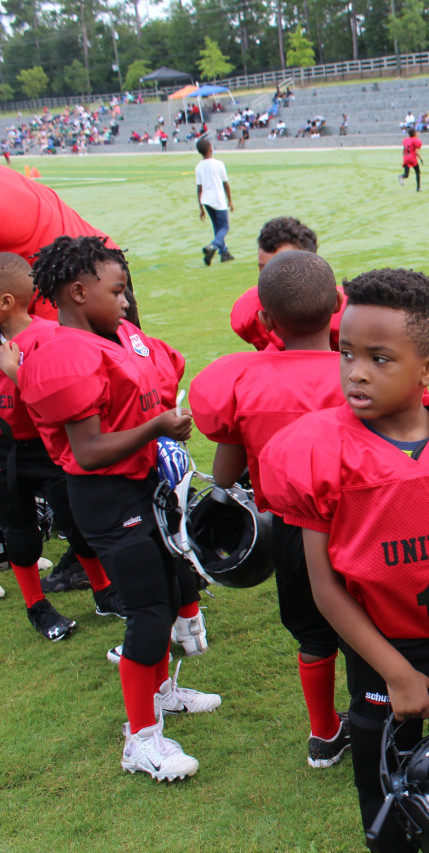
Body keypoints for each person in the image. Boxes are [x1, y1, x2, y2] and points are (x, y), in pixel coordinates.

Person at [256, 268, 429, 849]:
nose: (356, 371)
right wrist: (394, 671)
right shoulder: (318, 452)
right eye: (348, 353)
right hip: (382, 661)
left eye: (380, 358)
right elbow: (324, 585)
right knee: (389, 819)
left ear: (428, 369)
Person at [22, 236, 221, 782]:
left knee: (166, 589)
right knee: (149, 611)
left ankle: (163, 695)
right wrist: (157, 426)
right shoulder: (63, 352)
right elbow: (87, 451)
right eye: (118, 291)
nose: (128, 302)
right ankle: (141, 740)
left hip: (141, 484)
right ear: (79, 292)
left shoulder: (112, 337)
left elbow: (144, 387)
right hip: (107, 495)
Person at [190, 250, 349, 769]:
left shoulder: (244, 379)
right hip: (362, 521)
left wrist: (218, 493)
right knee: (375, 621)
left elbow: (230, 464)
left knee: (312, 632)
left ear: (263, 320)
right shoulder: (362, 373)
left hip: (292, 527)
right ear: (337, 311)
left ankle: (324, 733)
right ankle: (378, 715)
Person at [0, 253, 126, 642]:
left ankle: (104, 590)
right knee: (19, 531)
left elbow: (55, 398)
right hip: (6, 449)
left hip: (49, 443)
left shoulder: (48, 337)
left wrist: (14, 372)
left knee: (78, 523)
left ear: (7, 301)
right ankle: (36, 606)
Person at [228, 217, 346, 353]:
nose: (271, 278)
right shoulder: (252, 311)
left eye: (285, 270)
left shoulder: (350, 317)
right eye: (263, 270)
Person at [195, 138, 234, 265]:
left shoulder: (199, 167)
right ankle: (213, 246)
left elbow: (199, 189)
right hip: (218, 199)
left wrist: (201, 207)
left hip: (206, 200)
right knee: (224, 227)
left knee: (217, 227)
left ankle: (224, 253)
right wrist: (230, 200)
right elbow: (225, 184)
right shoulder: (218, 164)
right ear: (210, 149)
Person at [399, 127, 422, 192]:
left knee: (406, 175)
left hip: (406, 157)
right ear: (414, 133)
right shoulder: (416, 140)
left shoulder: (406, 140)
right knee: (417, 172)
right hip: (412, 158)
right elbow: (417, 152)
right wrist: (421, 158)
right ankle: (418, 187)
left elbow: (404, 149)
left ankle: (402, 176)